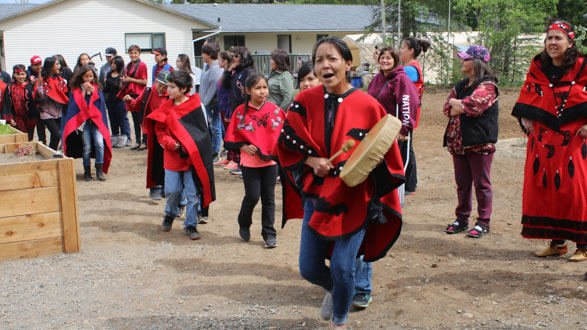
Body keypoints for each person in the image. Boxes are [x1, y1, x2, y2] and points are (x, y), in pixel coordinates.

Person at [277, 36, 405, 329]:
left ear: (348, 64)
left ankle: (340, 321)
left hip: (355, 199)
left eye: (332, 58)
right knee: (309, 268)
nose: (325, 65)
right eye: (319, 59)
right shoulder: (303, 101)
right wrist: (311, 162)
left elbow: (386, 153)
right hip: (316, 198)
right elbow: (285, 141)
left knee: (342, 267)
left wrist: (358, 170)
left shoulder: (369, 105)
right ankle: (335, 291)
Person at [512, 20, 587, 262]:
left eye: (558, 38)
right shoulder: (538, 65)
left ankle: (583, 246)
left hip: (575, 138)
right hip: (543, 140)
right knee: (547, 188)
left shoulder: (583, 67)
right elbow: (530, 90)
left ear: (570, 42)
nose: (552, 43)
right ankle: (557, 244)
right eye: (549, 39)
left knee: (575, 189)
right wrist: (525, 113)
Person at [351, 46, 419, 310]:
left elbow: (407, 104)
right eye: (382, 58)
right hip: (375, 137)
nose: (386, 61)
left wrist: (403, 127)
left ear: (396, 59)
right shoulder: (377, 79)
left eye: (389, 57)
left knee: (392, 177)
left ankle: (392, 211)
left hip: (394, 136)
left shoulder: (402, 79)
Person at [146, 70, 215, 240]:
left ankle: (191, 224)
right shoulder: (166, 107)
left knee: (193, 194)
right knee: (172, 191)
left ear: (184, 89)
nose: (167, 90)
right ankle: (170, 213)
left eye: (172, 87)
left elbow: (203, 132)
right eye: (168, 87)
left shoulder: (197, 106)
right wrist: (172, 144)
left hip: (192, 159)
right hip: (172, 158)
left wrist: (191, 147)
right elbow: (159, 131)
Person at [443, 45, 498, 239]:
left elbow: (474, 106)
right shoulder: (461, 85)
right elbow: (447, 108)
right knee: (463, 183)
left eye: (466, 59)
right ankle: (462, 219)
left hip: (479, 142)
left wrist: (458, 104)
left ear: (476, 62)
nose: (462, 62)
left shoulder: (488, 86)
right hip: (458, 143)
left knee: (481, 184)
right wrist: (457, 105)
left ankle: (483, 222)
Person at [225, 72, 285, 248]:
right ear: (248, 90)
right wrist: (242, 146)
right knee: (252, 196)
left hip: (270, 161)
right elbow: (231, 137)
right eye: (257, 88)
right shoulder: (240, 112)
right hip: (250, 162)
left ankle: (269, 234)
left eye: (264, 87)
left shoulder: (275, 110)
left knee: (269, 198)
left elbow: (285, 134)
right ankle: (244, 221)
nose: (262, 91)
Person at [125, 70, 170, 200]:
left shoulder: (171, 95)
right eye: (161, 85)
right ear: (156, 82)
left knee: (168, 159)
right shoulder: (148, 92)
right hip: (152, 131)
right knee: (154, 159)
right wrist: (129, 101)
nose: (163, 89)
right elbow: (136, 105)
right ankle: (155, 187)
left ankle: (167, 187)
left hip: (167, 132)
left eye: (166, 86)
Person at [62, 65, 112, 181]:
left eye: (91, 76)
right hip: (83, 123)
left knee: (100, 144)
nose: (89, 79)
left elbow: (101, 106)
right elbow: (75, 106)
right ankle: (87, 171)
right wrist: (84, 92)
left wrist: (94, 92)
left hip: (96, 122)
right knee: (87, 146)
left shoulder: (97, 88)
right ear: (81, 77)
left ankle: (99, 170)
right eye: (86, 76)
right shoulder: (76, 90)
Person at [399, 38, 430, 195]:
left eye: (403, 47)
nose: (400, 50)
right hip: (408, 112)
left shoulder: (410, 69)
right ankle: (410, 183)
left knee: (406, 147)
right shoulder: (408, 67)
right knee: (406, 147)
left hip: (408, 113)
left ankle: (409, 184)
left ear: (411, 51)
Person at [221, 46, 256, 175]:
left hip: (247, 110)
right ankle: (241, 164)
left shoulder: (249, 72)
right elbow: (225, 86)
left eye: (236, 56)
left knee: (246, 138)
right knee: (240, 137)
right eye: (233, 56)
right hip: (237, 109)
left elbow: (251, 92)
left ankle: (245, 166)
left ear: (243, 57)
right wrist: (229, 70)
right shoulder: (236, 72)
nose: (233, 58)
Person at [36, 56, 68, 150]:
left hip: (58, 112)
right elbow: (41, 97)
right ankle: (51, 153)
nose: (59, 66)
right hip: (47, 113)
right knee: (56, 135)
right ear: (50, 67)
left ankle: (51, 153)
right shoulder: (43, 80)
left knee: (56, 136)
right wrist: (40, 86)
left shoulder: (60, 80)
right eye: (57, 64)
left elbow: (64, 94)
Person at [120, 44, 148, 150]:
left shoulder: (142, 65)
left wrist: (130, 80)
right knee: (135, 119)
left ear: (139, 54)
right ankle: (137, 141)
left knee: (142, 118)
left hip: (139, 94)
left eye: (135, 53)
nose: (133, 55)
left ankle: (145, 141)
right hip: (130, 93)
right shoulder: (128, 65)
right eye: (131, 53)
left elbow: (144, 82)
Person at [199, 44, 224, 162]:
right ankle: (211, 150)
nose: (201, 55)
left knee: (215, 127)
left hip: (213, 103)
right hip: (206, 103)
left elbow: (213, 88)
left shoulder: (216, 69)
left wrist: (205, 103)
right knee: (210, 127)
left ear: (209, 55)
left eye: (203, 53)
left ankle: (216, 152)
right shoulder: (206, 67)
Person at [1, 64, 38, 141]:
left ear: (26, 74)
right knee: (19, 139)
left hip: (29, 118)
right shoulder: (9, 88)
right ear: (14, 75)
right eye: (18, 74)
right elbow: (6, 104)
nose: (21, 77)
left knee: (29, 138)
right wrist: (10, 119)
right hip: (16, 119)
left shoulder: (30, 87)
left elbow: (35, 103)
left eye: (23, 74)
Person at [103, 55, 127, 148]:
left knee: (121, 120)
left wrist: (108, 81)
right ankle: (114, 138)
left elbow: (119, 86)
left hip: (120, 101)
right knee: (113, 120)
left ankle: (123, 139)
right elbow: (107, 88)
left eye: (115, 63)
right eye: (112, 63)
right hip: (110, 100)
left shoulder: (122, 75)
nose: (112, 65)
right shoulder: (109, 74)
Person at [215, 51, 233, 165]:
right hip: (222, 106)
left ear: (225, 61)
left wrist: (228, 112)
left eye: (219, 59)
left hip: (227, 107)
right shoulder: (224, 73)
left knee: (231, 134)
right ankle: (229, 156)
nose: (218, 61)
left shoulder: (230, 75)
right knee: (226, 133)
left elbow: (230, 93)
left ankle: (234, 158)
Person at [27, 55, 45, 144]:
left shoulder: (44, 73)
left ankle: (43, 145)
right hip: (31, 105)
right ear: (32, 65)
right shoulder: (28, 74)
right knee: (30, 129)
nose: (38, 67)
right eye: (36, 65)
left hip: (41, 105)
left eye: (40, 64)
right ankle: (28, 145)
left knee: (41, 128)